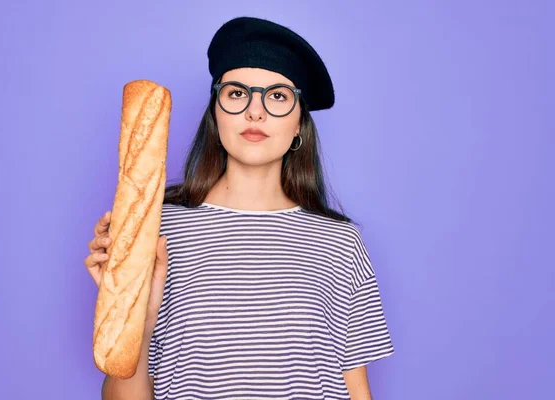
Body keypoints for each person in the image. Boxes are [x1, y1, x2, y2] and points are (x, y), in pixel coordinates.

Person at [85, 16, 394, 400]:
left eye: (278, 96)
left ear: (300, 123)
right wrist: (133, 316)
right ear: (216, 112)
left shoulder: (340, 242)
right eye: (237, 93)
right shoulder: (156, 229)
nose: (256, 112)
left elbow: (356, 388)